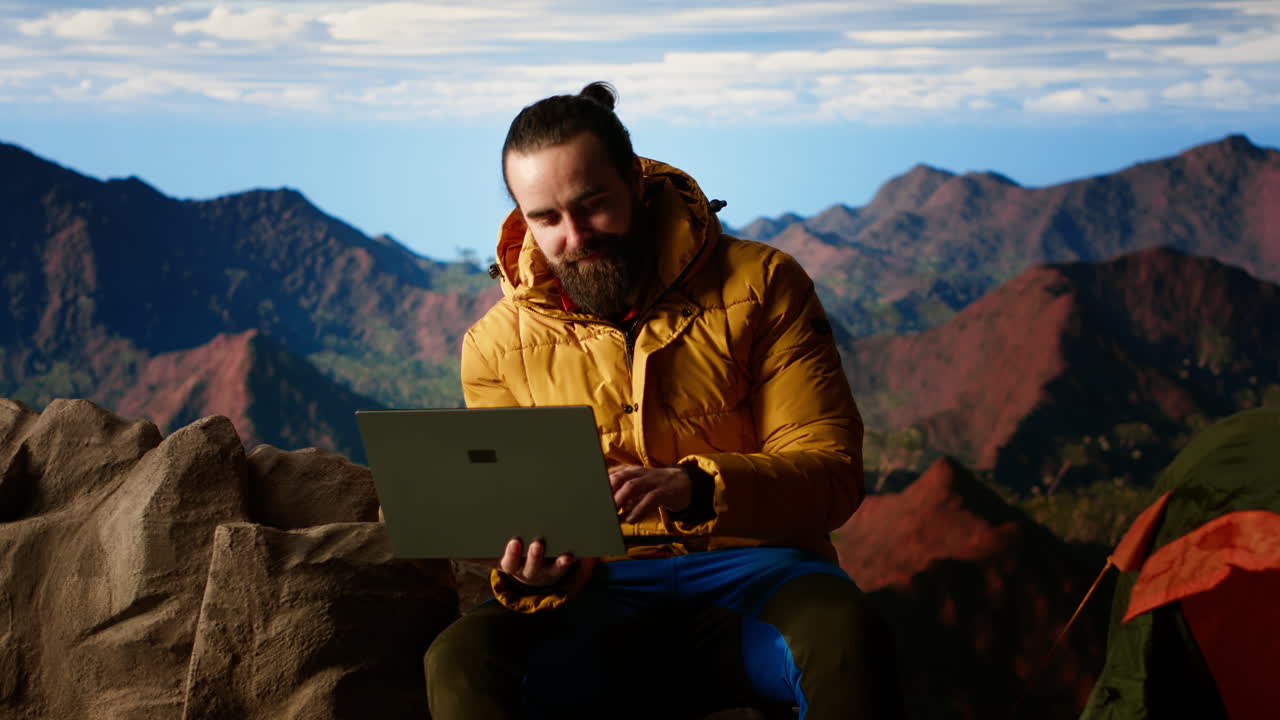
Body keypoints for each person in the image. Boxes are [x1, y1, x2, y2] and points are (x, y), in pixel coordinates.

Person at [424, 81, 902, 719]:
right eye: (547, 219)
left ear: (636, 182)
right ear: (523, 219)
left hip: (758, 573)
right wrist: (532, 574)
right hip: (597, 597)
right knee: (459, 660)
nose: (576, 235)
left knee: (842, 634)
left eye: (593, 204)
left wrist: (696, 488)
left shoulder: (763, 285)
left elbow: (831, 474)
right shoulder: (493, 346)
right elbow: (522, 514)